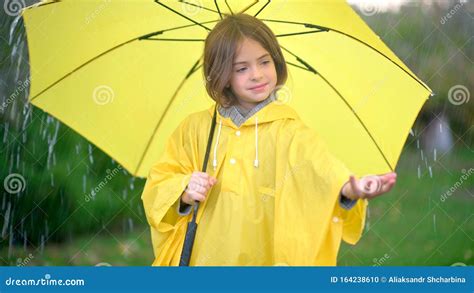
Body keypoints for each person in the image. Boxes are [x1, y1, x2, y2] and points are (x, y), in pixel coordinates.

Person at [141, 13, 397, 266]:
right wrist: (185, 190)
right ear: (222, 76)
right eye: (242, 68)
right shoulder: (196, 128)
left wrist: (349, 190)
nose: (257, 74)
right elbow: (159, 184)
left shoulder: (289, 131)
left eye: (264, 62)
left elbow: (321, 170)